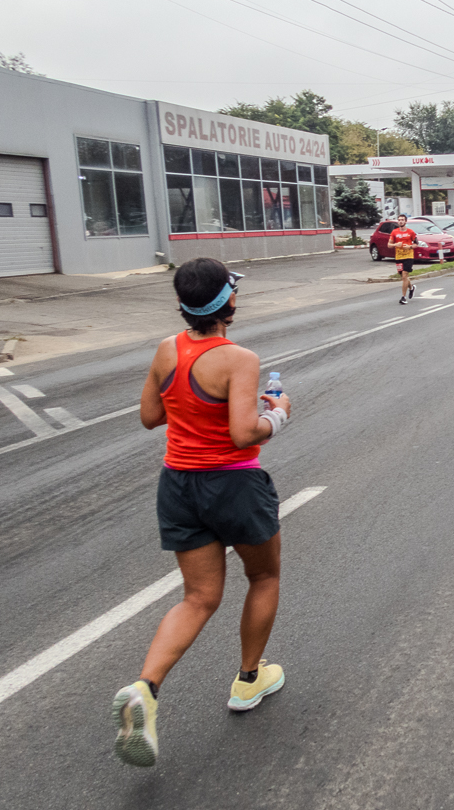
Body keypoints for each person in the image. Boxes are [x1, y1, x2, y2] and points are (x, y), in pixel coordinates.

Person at [111, 259, 292, 768]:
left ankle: (145, 689)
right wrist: (276, 414)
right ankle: (248, 680)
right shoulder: (238, 358)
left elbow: (151, 416)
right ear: (227, 303)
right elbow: (242, 433)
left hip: (178, 486)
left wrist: (192, 404)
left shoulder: (168, 349)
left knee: (197, 597)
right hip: (233, 484)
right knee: (263, 575)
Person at [385, 213, 419, 305]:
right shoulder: (394, 232)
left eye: (402, 220)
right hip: (399, 256)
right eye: (399, 220)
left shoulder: (411, 232)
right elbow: (389, 245)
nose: (400, 221)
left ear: (405, 221)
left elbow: (416, 244)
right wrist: (396, 245)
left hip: (408, 256)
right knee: (403, 276)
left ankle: (403, 297)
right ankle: (411, 288)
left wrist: (410, 247)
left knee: (404, 276)